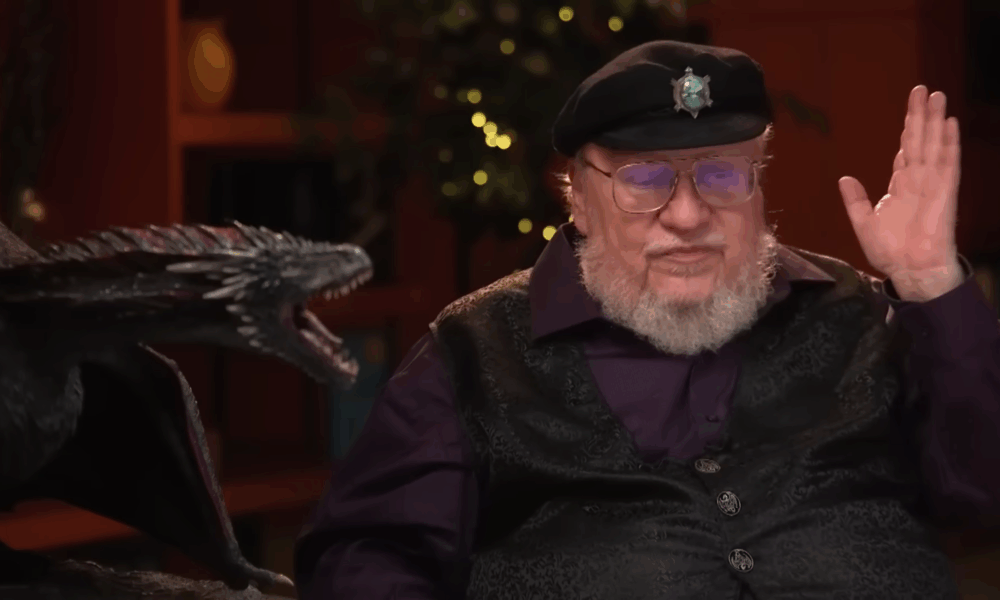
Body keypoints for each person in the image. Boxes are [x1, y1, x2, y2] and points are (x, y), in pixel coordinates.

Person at [294, 41, 1000, 599]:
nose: (687, 216)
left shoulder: (858, 312)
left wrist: (930, 283)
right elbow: (365, 557)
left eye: (721, 174)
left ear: (757, 183)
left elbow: (983, 491)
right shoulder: (473, 349)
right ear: (578, 197)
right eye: (644, 179)